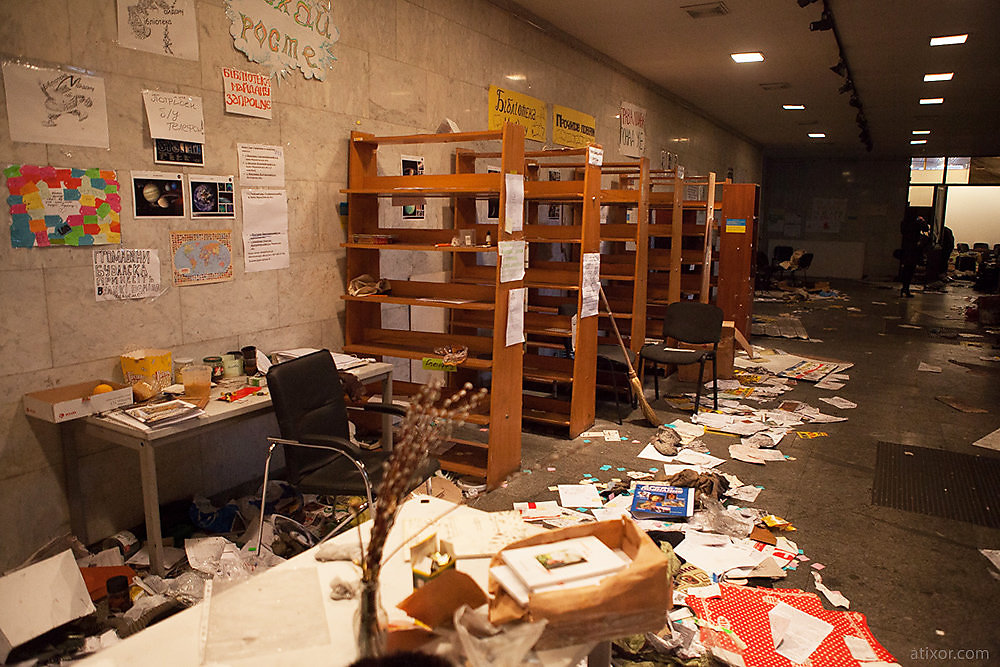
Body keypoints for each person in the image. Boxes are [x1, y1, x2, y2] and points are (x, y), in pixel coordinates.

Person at [899, 215, 928, 297]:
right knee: (910, 270)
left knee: (906, 269)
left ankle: (904, 288)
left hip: (906, 248)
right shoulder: (917, 224)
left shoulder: (904, 224)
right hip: (913, 250)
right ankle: (906, 289)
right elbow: (926, 229)